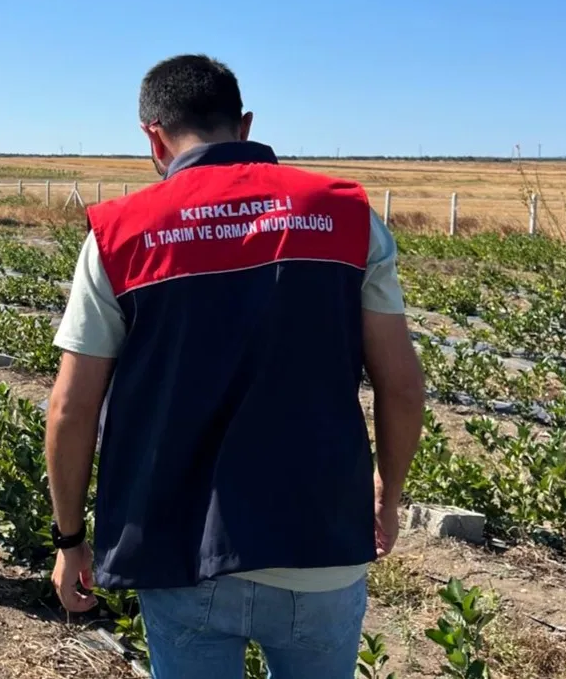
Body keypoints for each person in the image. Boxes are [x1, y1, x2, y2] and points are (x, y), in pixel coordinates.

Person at [45, 55, 426, 678]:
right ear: (244, 125)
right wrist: (387, 495)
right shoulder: (348, 216)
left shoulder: (120, 234)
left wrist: (69, 539)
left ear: (153, 137)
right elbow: (402, 386)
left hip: (177, 548)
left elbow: (71, 406)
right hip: (319, 543)